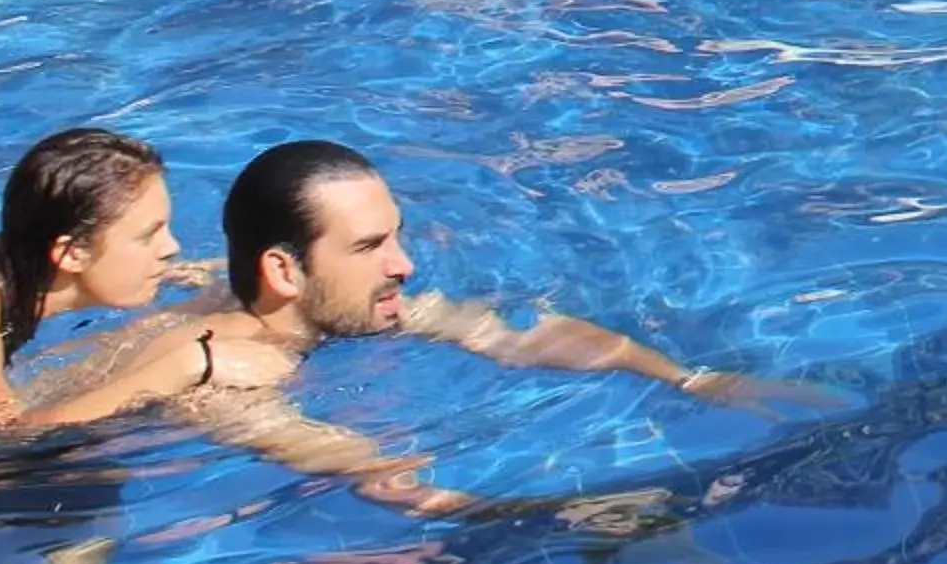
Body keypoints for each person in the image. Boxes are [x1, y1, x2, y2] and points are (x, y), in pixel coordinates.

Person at [71, 142, 803, 519]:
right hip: (39, 474)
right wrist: (559, 512)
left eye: (396, 237)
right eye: (367, 249)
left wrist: (691, 380)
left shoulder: (284, 293)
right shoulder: (231, 373)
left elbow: (515, 336)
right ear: (283, 272)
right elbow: (379, 479)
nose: (405, 265)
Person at [0, 129, 267, 430]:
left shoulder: (14, 270)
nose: (172, 247)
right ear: (71, 254)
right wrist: (185, 367)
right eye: (148, 236)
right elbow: (0, 436)